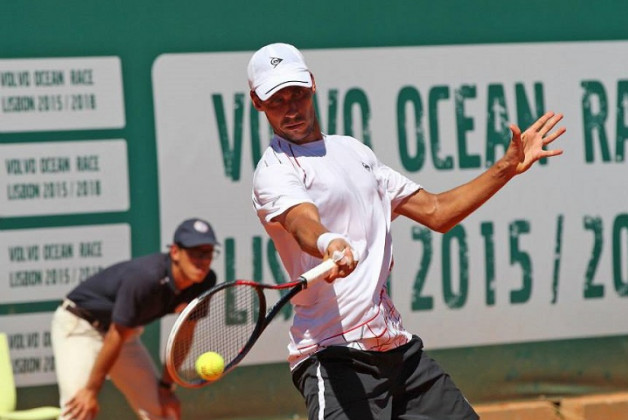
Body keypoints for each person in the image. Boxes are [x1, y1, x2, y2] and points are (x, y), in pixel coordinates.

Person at [249, 43, 565, 420]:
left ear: (312, 85)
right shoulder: (275, 171)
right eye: (276, 100)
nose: (290, 108)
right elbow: (302, 222)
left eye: (297, 94)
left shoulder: (354, 152)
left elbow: (437, 212)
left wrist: (506, 169)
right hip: (334, 357)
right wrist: (328, 242)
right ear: (257, 102)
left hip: (396, 350)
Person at [51, 218, 220, 420]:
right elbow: (115, 334)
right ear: (175, 252)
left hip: (123, 334)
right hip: (80, 326)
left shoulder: (205, 281)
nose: (202, 260)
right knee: (78, 410)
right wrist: (91, 390)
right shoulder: (146, 279)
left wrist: (166, 386)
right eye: (195, 253)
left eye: (208, 253)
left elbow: (184, 335)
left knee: (163, 410)